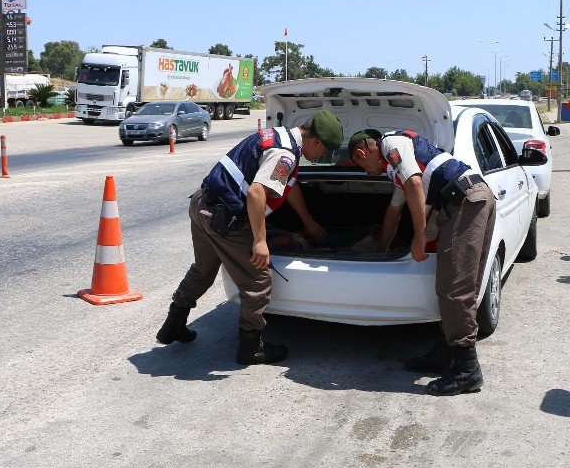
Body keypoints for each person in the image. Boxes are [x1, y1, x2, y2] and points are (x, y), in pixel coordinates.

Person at [155, 110, 343, 365]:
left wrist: (307, 222)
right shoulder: (285, 155)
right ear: (317, 141)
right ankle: (251, 348)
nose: (323, 157)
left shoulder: (280, 135)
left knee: (203, 268)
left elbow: (290, 186)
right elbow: (256, 193)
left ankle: (173, 324)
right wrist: (260, 241)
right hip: (225, 218)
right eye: (325, 151)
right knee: (258, 280)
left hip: (202, 204)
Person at [348, 128, 495, 396]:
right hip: (465, 200)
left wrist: (418, 236)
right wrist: (382, 250)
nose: (366, 172)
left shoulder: (391, 144)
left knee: (455, 289)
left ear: (362, 152)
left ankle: (467, 371)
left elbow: (415, 183)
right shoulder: (397, 170)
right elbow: (393, 213)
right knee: (453, 285)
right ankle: (444, 355)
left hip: (466, 200)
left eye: (361, 166)